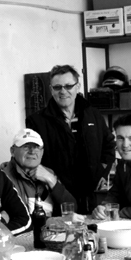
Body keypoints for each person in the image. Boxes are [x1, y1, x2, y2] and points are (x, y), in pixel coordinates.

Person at [26, 64, 116, 214]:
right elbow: (31, 157)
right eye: (57, 87)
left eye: (68, 86)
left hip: (90, 197)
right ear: (51, 89)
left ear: (78, 87)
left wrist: (101, 173)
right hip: (57, 197)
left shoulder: (93, 115)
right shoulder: (37, 121)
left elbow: (109, 145)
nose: (63, 91)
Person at [0, 128, 76, 218]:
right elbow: (14, 218)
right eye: (26, 146)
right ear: (12, 151)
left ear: (42, 152)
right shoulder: (3, 177)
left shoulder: (49, 173)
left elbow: (72, 209)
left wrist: (51, 180)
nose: (32, 151)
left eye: (36, 147)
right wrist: (51, 221)